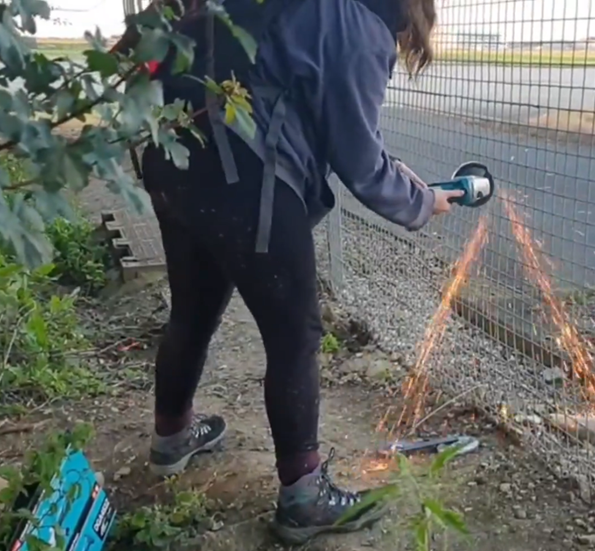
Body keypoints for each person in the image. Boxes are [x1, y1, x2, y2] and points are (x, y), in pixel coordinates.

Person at [111, 0, 460, 544]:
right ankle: (303, 498)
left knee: (193, 311)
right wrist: (422, 200)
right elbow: (361, 161)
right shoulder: (352, 18)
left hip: (174, 165)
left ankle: (172, 439)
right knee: (296, 336)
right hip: (246, 182)